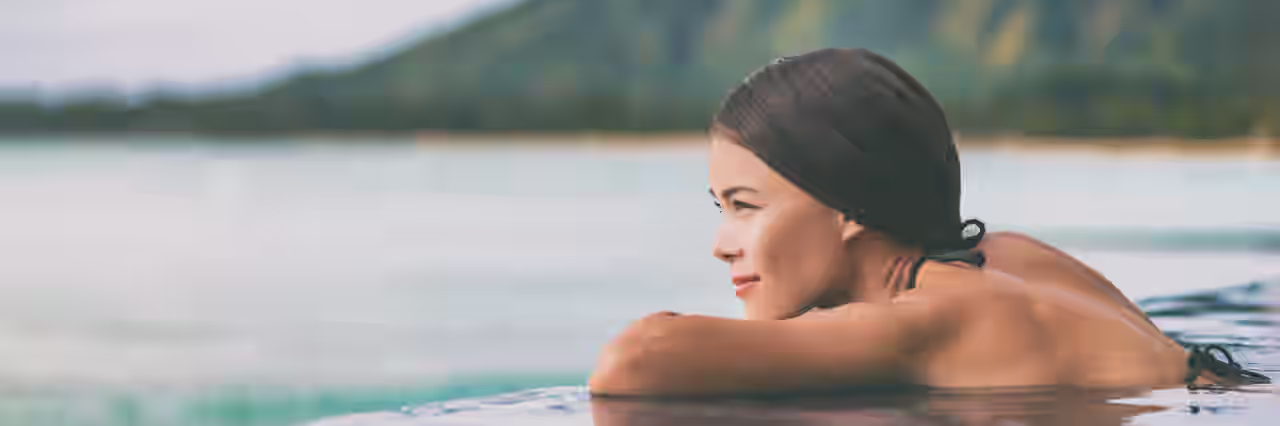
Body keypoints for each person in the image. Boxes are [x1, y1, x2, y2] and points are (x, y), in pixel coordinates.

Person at [587, 48, 1269, 397]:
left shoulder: (918, 324)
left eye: (745, 205)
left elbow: (633, 361)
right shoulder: (1014, 256)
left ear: (848, 203)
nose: (720, 244)